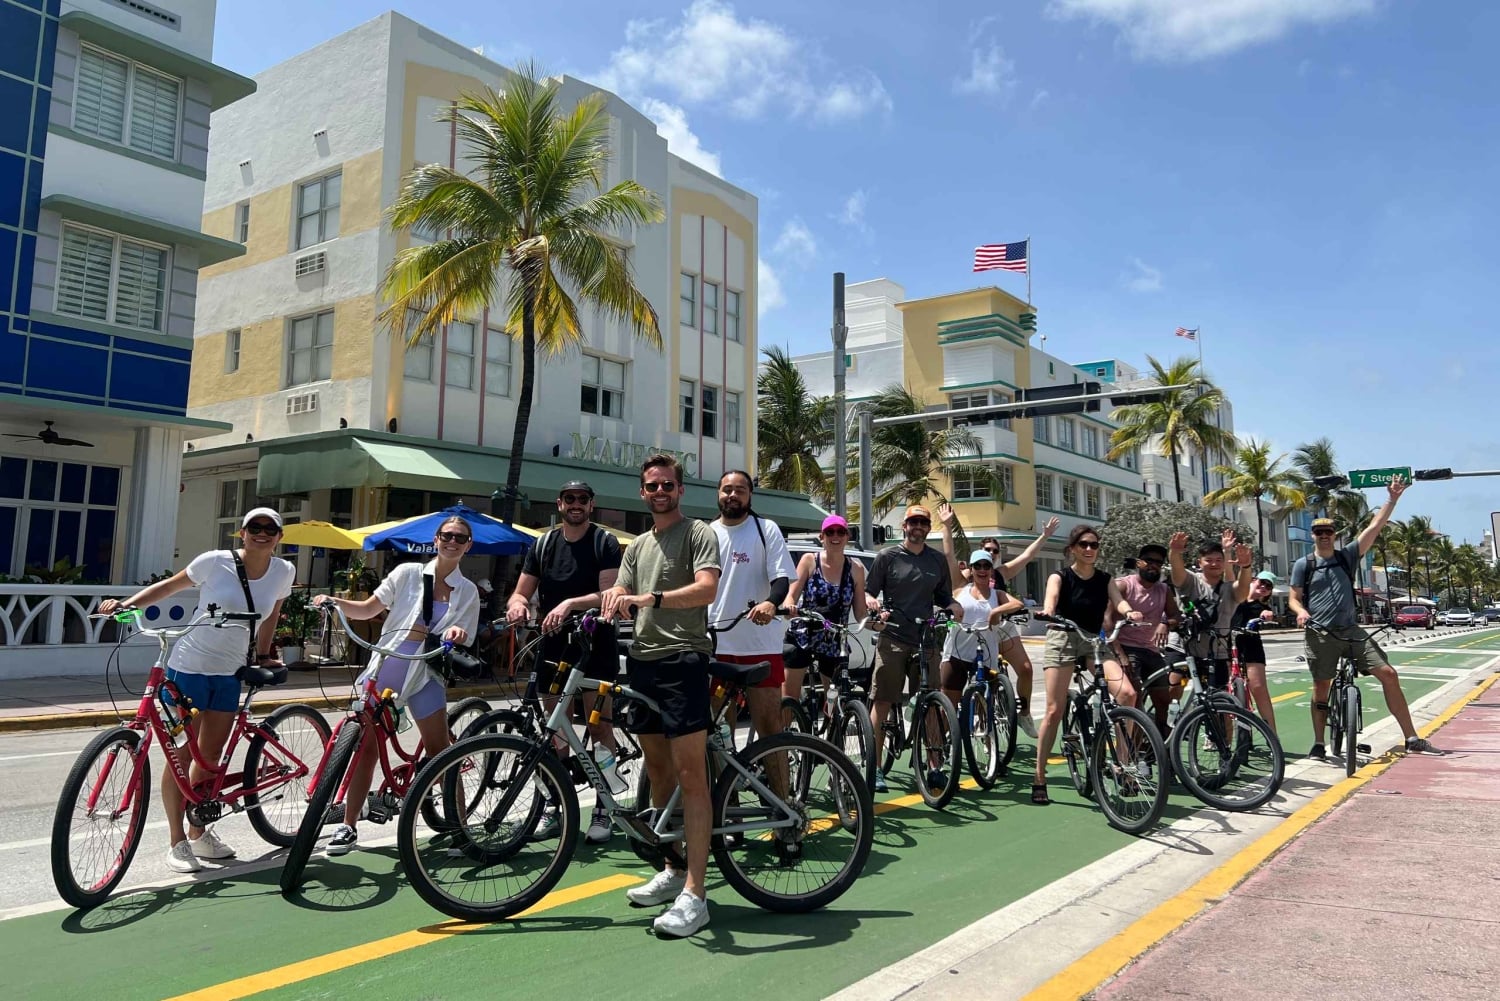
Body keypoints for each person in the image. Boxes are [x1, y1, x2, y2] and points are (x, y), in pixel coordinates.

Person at [99, 508, 295, 873]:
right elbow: (170, 586)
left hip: (229, 673)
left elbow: (271, 616)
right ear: (242, 533)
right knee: (182, 754)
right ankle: (177, 841)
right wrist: (126, 605)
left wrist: (265, 655)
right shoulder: (214, 562)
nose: (262, 533)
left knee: (210, 756)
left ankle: (199, 830)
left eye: (271, 529)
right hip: (188, 669)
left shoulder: (284, 572)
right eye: (255, 527)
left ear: (279, 537)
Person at [600, 454, 721, 938]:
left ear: (680, 489)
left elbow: (707, 589)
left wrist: (654, 600)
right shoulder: (638, 545)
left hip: (684, 661)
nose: (659, 491)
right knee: (658, 771)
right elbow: (623, 588)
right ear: (642, 492)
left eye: (667, 484)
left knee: (693, 775)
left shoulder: (698, 534)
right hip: (644, 664)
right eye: (651, 485)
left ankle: (697, 893)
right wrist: (604, 602)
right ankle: (672, 870)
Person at [312, 515, 479, 855]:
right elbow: (369, 608)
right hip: (387, 667)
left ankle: (460, 829)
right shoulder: (408, 574)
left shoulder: (468, 590)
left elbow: (465, 634)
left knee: (440, 753)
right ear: (435, 539)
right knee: (366, 750)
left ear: (468, 546)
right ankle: (348, 826)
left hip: (425, 675)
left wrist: (457, 634)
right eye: (447, 535)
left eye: (459, 538)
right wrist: (333, 602)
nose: (452, 541)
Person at [506, 479, 624, 844]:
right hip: (553, 644)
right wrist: (517, 604)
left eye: (583, 499)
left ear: (591, 505)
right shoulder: (543, 544)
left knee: (599, 727)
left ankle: (605, 806)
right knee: (554, 732)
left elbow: (608, 594)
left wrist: (570, 603)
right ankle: (556, 806)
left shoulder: (604, 542)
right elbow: (521, 590)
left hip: (595, 645)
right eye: (569, 498)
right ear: (559, 504)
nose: (576, 504)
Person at [1289, 478, 1442, 757]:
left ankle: (1411, 737)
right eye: (1319, 532)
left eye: (1329, 531)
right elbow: (1293, 597)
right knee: (1321, 686)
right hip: (1319, 632)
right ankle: (1319, 743)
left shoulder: (1347, 556)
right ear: (1312, 535)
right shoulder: (1304, 564)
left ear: (1335, 535)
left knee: (1388, 673)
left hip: (1351, 630)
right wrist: (1301, 612)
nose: (1324, 535)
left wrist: (1392, 500)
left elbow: (1375, 527)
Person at [1034, 525, 1143, 805]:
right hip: (1064, 636)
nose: (1089, 549)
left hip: (1093, 640)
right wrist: (1048, 611)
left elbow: (1118, 602)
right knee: (1054, 710)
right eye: (1083, 544)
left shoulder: (1105, 579)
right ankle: (1039, 776)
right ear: (1072, 548)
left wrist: (1129, 611)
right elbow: (1052, 598)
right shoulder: (1060, 576)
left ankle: (1122, 765)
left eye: (1094, 545)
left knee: (1127, 695)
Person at [935, 504, 1059, 738]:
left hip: (1000, 628)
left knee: (1024, 669)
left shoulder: (1000, 574)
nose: (987, 562)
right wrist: (946, 526)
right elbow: (949, 556)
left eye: (992, 554)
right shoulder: (963, 582)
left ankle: (1020, 714)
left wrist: (1044, 536)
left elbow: (1027, 556)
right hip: (968, 635)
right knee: (952, 689)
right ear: (972, 566)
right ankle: (949, 735)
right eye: (982, 558)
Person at [865, 504, 964, 794]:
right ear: (904, 526)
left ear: (928, 527)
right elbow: (870, 590)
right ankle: (875, 766)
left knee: (931, 704)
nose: (918, 526)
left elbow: (944, 595)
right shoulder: (887, 556)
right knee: (882, 702)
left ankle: (934, 766)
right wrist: (872, 602)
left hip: (926, 639)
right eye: (913, 522)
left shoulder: (936, 560)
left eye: (923, 522)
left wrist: (953, 605)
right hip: (893, 638)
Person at [707, 471, 796, 740]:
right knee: (719, 731)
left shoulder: (765, 529)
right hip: (715, 645)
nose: (732, 495)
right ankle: (727, 782)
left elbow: (781, 578)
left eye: (740, 490)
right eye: (727, 489)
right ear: (719, 493)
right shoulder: (706, 533)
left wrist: (770, 603)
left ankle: (779, 784)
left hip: (760, 645)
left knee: (770, 729)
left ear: (750, 495)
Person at [783, 514, 876, 703]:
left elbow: (860, 613)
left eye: (841, 532)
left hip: (834, 636)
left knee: (836, 699)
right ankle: (787, 729)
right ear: (822, 536)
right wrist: (789, 605)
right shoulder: (809, 560)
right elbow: (792, 593)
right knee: (788, 698)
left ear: (847, 536)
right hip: (804, 633)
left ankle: (834, 728)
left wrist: (875, 623)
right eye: (830, 532)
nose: (836, 536)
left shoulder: (855, 568)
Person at [939, 548, 1027, 726]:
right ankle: (939, 748)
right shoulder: (960, 591)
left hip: (985, 655)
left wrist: (996, 611)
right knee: (948, 707)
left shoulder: (997, 594)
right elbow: (949, 554)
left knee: (986, 702)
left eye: (986, 565)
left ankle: (989, 741)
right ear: (971, 569)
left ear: (991, 570)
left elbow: (1017, 603)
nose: (982, 569)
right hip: (957, 653)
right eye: (977, 565)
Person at [1168, 529, 1253, 691]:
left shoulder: (1229, 589)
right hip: (1183, 646)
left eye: (1218, 560)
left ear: (1224, 562)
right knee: (1173, 689)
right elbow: (1177, 570)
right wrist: (1175, 553)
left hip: (1216, 651)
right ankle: (1171, 716)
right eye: (1209, 560)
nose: (1214, 564)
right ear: (1200, 563)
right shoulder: (1191, 581)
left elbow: (1243, 589)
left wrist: (1246, 566)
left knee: (1219, 699)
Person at [1112, 543, 1182, 735]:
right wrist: (1120, 655)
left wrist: (1166, 623)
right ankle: (1133, 755)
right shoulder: (1123, 585)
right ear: (1138, 562)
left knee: (1164, 702)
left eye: (1158, 562)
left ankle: (1161, 750)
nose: (1154, 565)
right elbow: (1105, 623)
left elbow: (1176, 615)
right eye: (1149, 561)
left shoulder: (1163, 590)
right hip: (1125, 648)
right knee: (1136, 701)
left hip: (1151, 650)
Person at [1230, 571, 1280, 735]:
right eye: (1262, 582)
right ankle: (1218, 734)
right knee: (1222, 690)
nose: (1264, 587)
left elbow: (1267, 614)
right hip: (1227, 645)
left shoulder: (1262, 607)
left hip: (1251, 646)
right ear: (1253, 580)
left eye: (1269, 586)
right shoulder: (1236, 596)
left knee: (1258, 688)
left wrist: (1267, 615)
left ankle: (1272, 736)